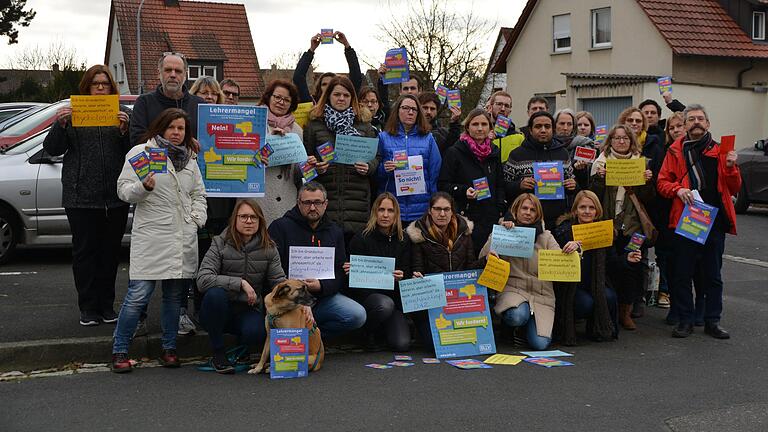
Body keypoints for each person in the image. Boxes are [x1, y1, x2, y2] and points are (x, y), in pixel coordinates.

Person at [111, 108, 207, 373]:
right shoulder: (141, 153)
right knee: (138, 295)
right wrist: (144, 187)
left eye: (181, 129)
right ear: (161, 128)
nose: (176, 133)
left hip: (182, 236)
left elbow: (199, 193)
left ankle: (169, 348)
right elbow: (123, 191)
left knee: (174, 299)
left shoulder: (190, 158)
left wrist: (197, 218)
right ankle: (119, 350)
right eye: (172, 128)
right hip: (153, 236)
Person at [42, 64, 131, 326]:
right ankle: (88, 308)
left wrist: (125, 132)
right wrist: (60, 125)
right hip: (81, 197)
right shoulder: (72, 113)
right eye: (96, 84)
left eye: (105, 84)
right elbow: (52, 149)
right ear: (87, 88)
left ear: (112, 87)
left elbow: (135, 152)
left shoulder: (121, 114)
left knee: (110, 253)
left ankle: (106, 306)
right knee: (84, 254)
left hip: (115, 197)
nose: (101, 88)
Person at [657, 104, 740, 339]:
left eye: (700, 119)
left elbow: (735, 187)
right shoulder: (675, 151)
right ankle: (685, 320)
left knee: (712, 275)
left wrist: (732, 168)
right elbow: (662, 183)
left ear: (708, 124)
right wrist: (677, 189)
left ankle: (712, 320)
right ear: (684, 125)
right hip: (687, 220)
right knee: (682, 274)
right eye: (691, 119)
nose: (696, 122)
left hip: (714, 221)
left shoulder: (721, 150)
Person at [478, 194, 580, 350]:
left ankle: (523, 330)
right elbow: (483, 257)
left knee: (540, 344)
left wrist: (574, 249)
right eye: (524, 208)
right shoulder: (505, 232)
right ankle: (516, 325)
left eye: (533, 210)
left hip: (541, 295)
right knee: (517, 317)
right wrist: (497, 235)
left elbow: (562, 262)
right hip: (514, 290)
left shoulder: (546, 236)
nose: (528, 212)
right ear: (516, 211)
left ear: (538, 214)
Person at [196, 199, 286, 373]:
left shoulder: (269, 247)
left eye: (254, 217)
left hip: (247, 309)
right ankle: (218, 353)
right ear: (234, 219)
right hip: (216, 310)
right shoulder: (219, 243)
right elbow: (203, 279)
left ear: (260, 221)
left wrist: (300, 301)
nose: (249, 221)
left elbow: (279, 283)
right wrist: (240, 283)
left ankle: (242, 347)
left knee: (257, 332)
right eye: (243, 216)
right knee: (215, 295)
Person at [267, 182, 366, 339]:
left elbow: (340, 273)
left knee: (357, 315)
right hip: (290, 299)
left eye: (317, 202)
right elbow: (271, 269)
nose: (312, 208)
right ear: (298, 203)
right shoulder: (280, 227)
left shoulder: (335, 231)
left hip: (323, 297)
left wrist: (321, 286)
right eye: (307, 202)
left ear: (325, 204)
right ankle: (294, 339)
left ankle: (312, 338)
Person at [552, 190, 642, 344]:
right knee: (586, 303)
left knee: (609, 296)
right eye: (583, 207)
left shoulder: (603, 232)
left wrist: (626, 259)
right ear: (575, 210)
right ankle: (571, 325)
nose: (587, 211)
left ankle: (598, 329)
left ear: (597, 211)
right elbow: (554, 263)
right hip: (571, 286)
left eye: (591, 208)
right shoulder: (564, 231)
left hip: (595, 282)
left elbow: (612, 264)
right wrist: (568, 249)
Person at [590, 124, 655, 331]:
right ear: (610, 141)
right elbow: (592, 196)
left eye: (625, 138)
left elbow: (648, 199)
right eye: (617, 138)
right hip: (607, 223)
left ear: (631, 141)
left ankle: (625, 313)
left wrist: (645, 182)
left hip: (632, 226)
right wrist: (599, 178)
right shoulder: (600, 163)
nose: (621, 142)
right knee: (608, 267)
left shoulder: (641, 163)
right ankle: (608, 309)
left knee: (631, 270)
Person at [303, 76, 378, 244]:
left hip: (357, 202)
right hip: (325, 204)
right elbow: (303, 166)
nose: (341, 99)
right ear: (328, 95)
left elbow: (376, 158)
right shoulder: (315, 125)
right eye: (337, 94)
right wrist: (315, 168)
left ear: (353, 98)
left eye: (346, 95)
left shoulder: (364, 125)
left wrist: (369, 167)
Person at [406, 192, 477, 348]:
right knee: (438, 345)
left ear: (452, 211)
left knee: (465, 343)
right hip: (432, 301)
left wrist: (486, 261)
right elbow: (417, 268)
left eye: (446, 209)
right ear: (430, 210)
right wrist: (416, 278)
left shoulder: (465, 232)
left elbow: (471, 267)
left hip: (458, 299)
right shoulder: (418, 235)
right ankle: (421, 329)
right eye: (437, 209)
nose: (442, 214)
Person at [344, 193, 412, 352]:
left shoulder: (404, 239)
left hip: (395, 300)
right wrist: (351, 271)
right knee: (383, 304)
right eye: (381, 210)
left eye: (390, 210)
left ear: (396, 214)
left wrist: (402, 277)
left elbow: (408, 273)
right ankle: (367, 332)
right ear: (375, 212)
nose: (385, 215)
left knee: (402, 344)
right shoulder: (362, 237)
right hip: (368, 299)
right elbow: (352, 283)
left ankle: (383, 330)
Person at [438, 109, 505, 250]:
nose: (480, 128)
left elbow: (500, 184)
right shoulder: (454, 152)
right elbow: (443, 185)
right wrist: (463, 191)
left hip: (490, 217)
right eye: (475, 124)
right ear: (467, 127)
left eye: (484, 124)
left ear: (490, 127)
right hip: (465, 218)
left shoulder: (495, 151)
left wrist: (499, 210)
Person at [503, 111, 578, 230]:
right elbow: (504, 187)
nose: (543, 130)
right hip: (525, 221)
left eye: (547, 126)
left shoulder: (562, 153)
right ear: (530, 130)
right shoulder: (517, 154)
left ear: (553, 129)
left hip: (556, 220)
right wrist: (519, 185)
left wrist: (572, 185)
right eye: (538, 126)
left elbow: (572, 184)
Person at [376, 95, 442, 223]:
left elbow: (434, 174)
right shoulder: (383, 138)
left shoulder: (428, 138)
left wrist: (432, 203)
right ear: (397, 110)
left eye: (414, 109)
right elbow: (374, 172)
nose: (410, 112)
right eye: (405, 108)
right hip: (392, 210)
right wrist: (384, 169)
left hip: (420, 209)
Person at [130, 52, 203, 147]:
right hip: (154, 161)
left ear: (185, 75)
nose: (173, 75)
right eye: (168, 70)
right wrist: (184, 141)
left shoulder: (199, 105)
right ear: (159, 73)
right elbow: (137, 140)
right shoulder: (144, 103)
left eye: (178, 71)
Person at [258, 79, 302, 223]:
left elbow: (297, 171)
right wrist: (272, 141)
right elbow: (244, 158)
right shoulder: (254, 122)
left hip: (287, 199)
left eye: (286, 100)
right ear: (268, 97)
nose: (281, 102)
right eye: (277, 97)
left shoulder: (297, 131)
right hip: (258, 199)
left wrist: (308, 165)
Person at [293, 31, 362, 103]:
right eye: (324, 84)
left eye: (331, 84)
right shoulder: (312, 104)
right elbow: (298, 78)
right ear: (319, 88)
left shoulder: (345, 102)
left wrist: (347, 46)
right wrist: (311, 50)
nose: (328, 87)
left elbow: (356, 77)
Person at [617, 107, 664, 178]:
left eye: (638, 121)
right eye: (630, 120)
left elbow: (659, 174)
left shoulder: (654, 146)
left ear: (643, 125)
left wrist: (649, 178)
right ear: (623, 123)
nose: (634, 123)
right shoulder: (614, 143)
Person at [487, 91, 524, 164]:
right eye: (499, 104)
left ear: (510, 110)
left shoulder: (519, 137)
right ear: (490, 107)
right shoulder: (480, 133)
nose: (503, 109)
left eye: (506, 106)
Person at [571, 111, 598, 190]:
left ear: (591, 128)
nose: (582, 127)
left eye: (586, 125)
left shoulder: (597, 148)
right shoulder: (568, 145)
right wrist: (576, 168)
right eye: (579, 125)